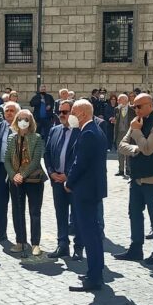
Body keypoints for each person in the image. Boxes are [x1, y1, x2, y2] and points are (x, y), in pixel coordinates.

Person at [115, 93, 153, 264]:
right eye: (134, 107)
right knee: (134, 213)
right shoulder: (135, 123)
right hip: (137, 178)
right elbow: (121, 145)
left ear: (150, 106)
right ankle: (135, 247)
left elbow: (148, 148)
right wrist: (135, 149)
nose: (135, 110)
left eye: (138, 107)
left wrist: (137, 133)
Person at [66, 99, 108, 292]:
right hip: (90, 190)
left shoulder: (89, 132)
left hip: (85, 191)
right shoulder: (93, 130)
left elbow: (80, 163)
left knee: (90, 235)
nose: (70, 115)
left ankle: (94, 277)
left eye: (73, 111)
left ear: (82, 113)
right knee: (93, 234)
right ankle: (94, 271)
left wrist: (69, 181)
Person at [4, 110, 47, 256]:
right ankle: (20, 241)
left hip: (33, 180)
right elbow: (7, 159)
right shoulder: (11, 138)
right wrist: (13, 175)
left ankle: (35, 243)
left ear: (31, 122)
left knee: (34, 212)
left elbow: (36, 160)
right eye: (21, 119)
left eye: (26, 119)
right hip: (15, 180)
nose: (23, 122)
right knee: (17, 211)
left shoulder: (36, 137)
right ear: (16, 121)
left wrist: (22, 175)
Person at [44, 100, 82, 259]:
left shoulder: (80, 131)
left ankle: (79, 247)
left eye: (65, 112)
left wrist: (68, 175)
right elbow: (47, 153)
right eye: (59, 112)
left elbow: (80, 158)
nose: (61, 115)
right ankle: (62, 244)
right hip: (56, 180)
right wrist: (52, 172)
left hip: (73, 181)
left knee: (77, 215)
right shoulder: (54, 130)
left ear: (73, 113)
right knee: (60, 213)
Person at [0, 102, 19, 242]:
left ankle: (20, 235)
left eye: (12, 110)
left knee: (17, 202)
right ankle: (1, 233)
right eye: (7, 110)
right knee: (1, 201)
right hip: (1, 167)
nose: (9, 113)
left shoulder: (22, 127)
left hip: (16, 169)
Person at [111, 93, 134, 176]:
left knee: (128, 151)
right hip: (119, 133)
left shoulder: (132, 109)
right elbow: (117, 120)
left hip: (129, 133)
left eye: (119, 100)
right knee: (120, 152)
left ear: (125, 100)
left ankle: (128, 169)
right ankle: (121, 170)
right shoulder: (117, 109)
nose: (118, 101)